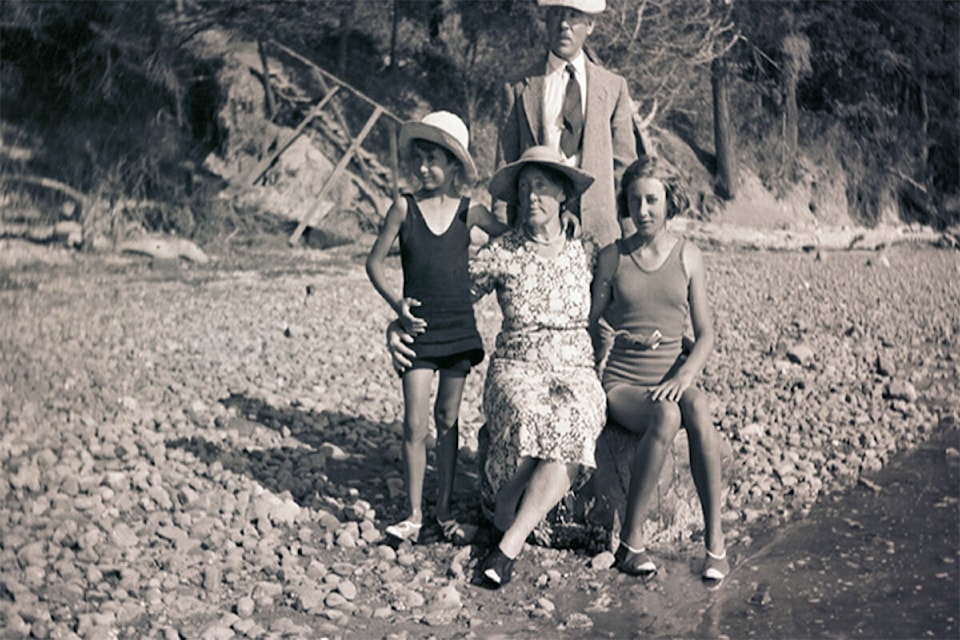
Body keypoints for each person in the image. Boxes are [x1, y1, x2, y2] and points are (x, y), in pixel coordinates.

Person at [387, 146, 606, 588]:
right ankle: (507, 513)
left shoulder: (586, 250)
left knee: (579, 418)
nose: (531, 197)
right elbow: (444, 295)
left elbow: (629, 300)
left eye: (541, 187)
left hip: (576, 368)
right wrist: (398, 323)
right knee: (529, 414)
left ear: (563, 194)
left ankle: (507, 539)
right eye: (524, 188)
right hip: (518, 365)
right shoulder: (502, 250)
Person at [366, 110, 508, 544]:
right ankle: (411, 515)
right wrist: (397, 305)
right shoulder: (403, 208)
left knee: (448, 418)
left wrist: (563, 222)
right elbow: (373, 262)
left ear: (454, 167)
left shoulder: (472, 212)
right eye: (419, 159)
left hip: (459, 329)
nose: (424, 168)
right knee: (413, 424)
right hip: (419, 330)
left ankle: (443, 511)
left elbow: (517, 236)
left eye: (434, 160)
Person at [588, 155, 729, 584]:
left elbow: (705, 334)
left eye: (652, 200)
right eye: (634, 201)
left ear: (669, 201)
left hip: (670, 378)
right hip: (623, 383)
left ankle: (715, 543)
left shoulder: (689, 256)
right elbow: (591, 323)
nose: (643, 210)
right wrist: (613, 337)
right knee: (667, 414)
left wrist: (685, 376)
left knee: (698, 405)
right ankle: (631, 542)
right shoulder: (612, 258)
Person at [495, 0, 637, 249]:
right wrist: (501, 231)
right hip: (535, 229)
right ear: (545, 21)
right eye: (556, 14)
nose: (564, 25)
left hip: (599, 232)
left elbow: (624, 169)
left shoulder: (613, 87)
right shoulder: (518, 87)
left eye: (574, 16)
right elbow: (505, 164)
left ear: (590, 24)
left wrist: (632, 237)